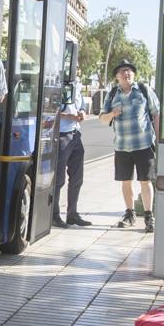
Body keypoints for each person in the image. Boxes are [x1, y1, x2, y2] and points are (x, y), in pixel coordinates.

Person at [99, 60, 160, 231]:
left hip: (144, 144)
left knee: (145, 181)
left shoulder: (143, 90)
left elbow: (156, 113)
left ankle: (149, 216)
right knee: (125, 182)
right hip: (122, 146)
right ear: (117, 76)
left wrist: (159, 137)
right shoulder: (112, 94)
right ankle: (130, 213)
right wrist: (112, 113)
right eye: (123, 71)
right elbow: (103, 119)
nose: (127, 73)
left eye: (130, 71)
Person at [54, 75, 90, 228]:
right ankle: (53, 214)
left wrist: (82, 113)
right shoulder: (55, 81)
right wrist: (68, 116)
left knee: (77, 178)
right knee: (58, 179)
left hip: (75, 134)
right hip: (61, 135)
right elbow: (48, 108)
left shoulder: (76, 84)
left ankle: (72, 214)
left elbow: (80, 105)